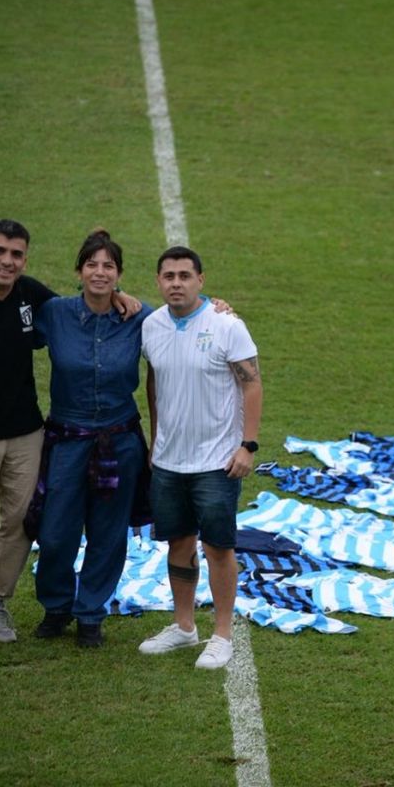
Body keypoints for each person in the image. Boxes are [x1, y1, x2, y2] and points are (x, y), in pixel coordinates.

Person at [0, 219, 141, 661]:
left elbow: (103, 305)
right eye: (0, 252)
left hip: (28, 435)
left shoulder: (30, 296)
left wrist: (119, 295)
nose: (7, 261)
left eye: (17, 255)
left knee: (23, 524)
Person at [138, 245, 263, 670]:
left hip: (217, 461)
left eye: (184, 276)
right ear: (158, 281)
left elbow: (252, 384)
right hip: (169, 461)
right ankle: (184, 626)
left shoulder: (227, 326)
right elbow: (154, 383)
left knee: (218, 547)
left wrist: (248, 445)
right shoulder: (151, 326)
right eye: (169, 276)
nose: (176, 283)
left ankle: (223, 633)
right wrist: (157, 440)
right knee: (178, 541)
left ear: (200, 281)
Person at [29, 230, 153, 648]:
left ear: (119, 274)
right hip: (66, 440)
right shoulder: (54, 313)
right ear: (79, 270)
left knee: (108, 533)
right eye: (91, 264)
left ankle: (90, 615)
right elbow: (13, 298)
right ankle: (57, 606)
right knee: (55, 532)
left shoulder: (140, 317)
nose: (100, 273)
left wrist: (218, 308)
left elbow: (186, 320)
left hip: (119, 442)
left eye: (108, 266)